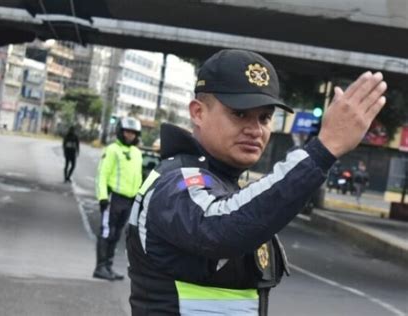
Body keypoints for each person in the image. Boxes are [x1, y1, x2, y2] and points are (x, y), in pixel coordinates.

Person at [126, 49, 387, 315]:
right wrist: (323, 149)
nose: (255, 130)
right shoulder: (176, 182)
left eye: (264, 117)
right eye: (239, 114)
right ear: (198, 113)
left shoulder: (221, 183)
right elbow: (220, 228)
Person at [93, 116, 143, 281]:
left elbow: (138, 177)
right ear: (120, 132)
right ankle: (100, 267)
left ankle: (108, 266)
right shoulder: (112, 149)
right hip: (113, 198)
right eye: (127, 132)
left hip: (129, 201)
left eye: (133, 133)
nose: (130, 136)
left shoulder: (137, 153)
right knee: (107, 231)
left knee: (116, 234)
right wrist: (102, 197)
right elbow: (102, 174)